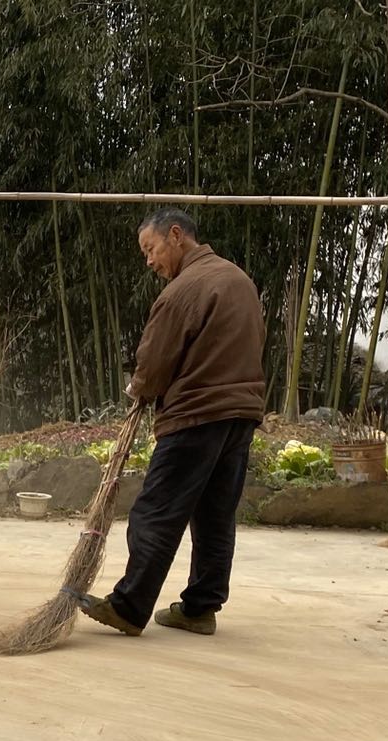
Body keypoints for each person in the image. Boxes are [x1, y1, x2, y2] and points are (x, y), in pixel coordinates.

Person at [79, 208, 266, 639]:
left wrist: (140, 390)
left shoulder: (184, 289)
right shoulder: (239, 280)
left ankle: (129, 606)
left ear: (176, 236)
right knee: (215, 515)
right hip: (241, 415)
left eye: (150, 249)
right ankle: (200, 609)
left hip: (197, 415)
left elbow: (156, 358)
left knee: (156, 511)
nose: (148, 260)